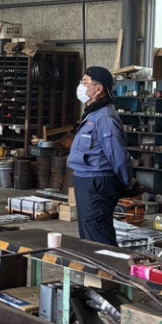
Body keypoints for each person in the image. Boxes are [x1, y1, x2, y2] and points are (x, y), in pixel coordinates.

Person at [66, 66, 132, 246]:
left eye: (85, 82)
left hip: (97, 183)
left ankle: (109, 264)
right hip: (86, 181)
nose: (81, 86)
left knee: (99, 238)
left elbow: (117, 154)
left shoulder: (105, 118)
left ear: (98, 89)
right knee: (89, 237)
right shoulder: (93, 114)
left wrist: (126, 182)